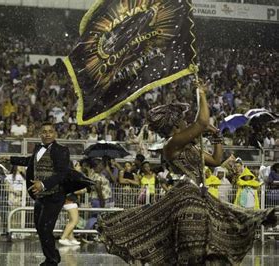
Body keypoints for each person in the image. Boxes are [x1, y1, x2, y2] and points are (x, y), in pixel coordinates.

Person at [98, 81, 276, 265]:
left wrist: (216, 135)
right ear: (175, 124)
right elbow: (201, 122)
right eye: (182, 119)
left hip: (199, 195)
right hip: (188, 197)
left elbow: (216, 160)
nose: (186, 121)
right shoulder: (172, 144)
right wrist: (201, 93)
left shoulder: (188, 146)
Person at [7, 122, 70, 266]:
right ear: (40, 134)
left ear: (55, 134)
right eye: (44, 132)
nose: (47, 134)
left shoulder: (62, 150)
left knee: (45, 228)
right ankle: (52, 256)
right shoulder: (38, 149)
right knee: (40, 228)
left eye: (50, 131)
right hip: (40, 196)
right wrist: (10, 159)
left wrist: (43, 184)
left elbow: (62, 173)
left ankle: (52, 260)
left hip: (54, 196)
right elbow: (29, 161)